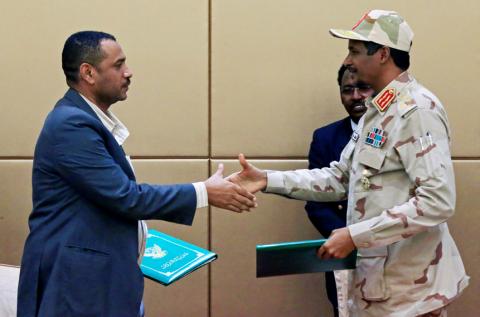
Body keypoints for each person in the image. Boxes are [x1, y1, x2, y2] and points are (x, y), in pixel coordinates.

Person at [229, 10, 469, 317]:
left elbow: (437, 201)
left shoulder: (417, 110)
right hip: (376, 288)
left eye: (354, 51)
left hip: (410, 295)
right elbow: (342, 178)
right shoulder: (378, 109)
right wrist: (266, 179)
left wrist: (354, 236)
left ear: (383, 54)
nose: (348, 61)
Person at [17, 31, 256, 317]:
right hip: (77, 288)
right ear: (88, 73)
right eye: (118, 65)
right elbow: (125, 197)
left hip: (99, 282)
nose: (128, 73)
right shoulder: (72, 125)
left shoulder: (84, 120)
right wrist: (205, 192)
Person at [305, 65, 373, 317]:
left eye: (363, 88)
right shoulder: (325, 137)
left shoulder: (400, 131)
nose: (356, 96)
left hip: (395, 251)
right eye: (347, 90)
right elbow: (315, 203)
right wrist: (350, 238)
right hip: (345, 254)